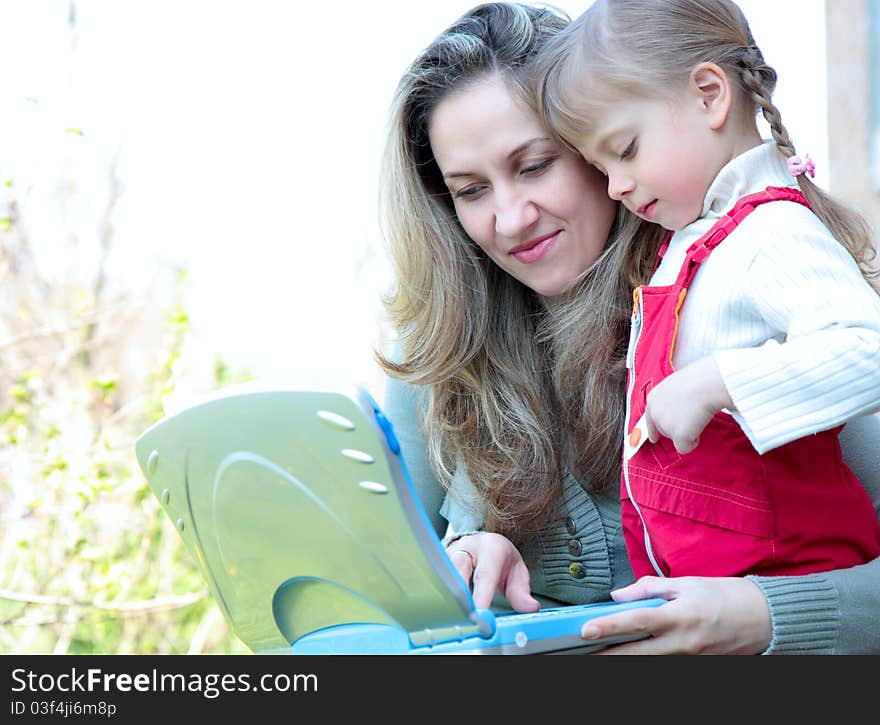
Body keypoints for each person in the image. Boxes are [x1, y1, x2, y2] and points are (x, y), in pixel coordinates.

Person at [378, 1, 880, 653]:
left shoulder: (739, 294)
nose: (509, 217)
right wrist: (464, 564)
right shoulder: (436, 355)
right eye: (470, 190)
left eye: (534, 165)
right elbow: (390, 617)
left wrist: (762, 614)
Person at [535, 0, 880, 581]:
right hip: (707, 589)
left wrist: (716, 381)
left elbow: (869, 350)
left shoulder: (771, 232)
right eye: (600, 170)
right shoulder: (696, 240)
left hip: (785, 579)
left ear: (709, 94)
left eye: (624, 150)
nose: (616, 187)